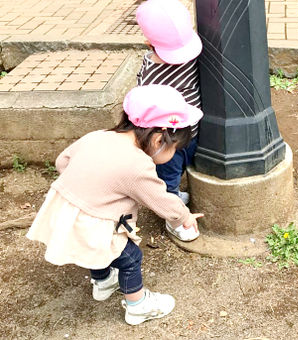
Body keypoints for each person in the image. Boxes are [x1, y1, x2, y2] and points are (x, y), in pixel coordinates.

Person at [26, 85, 204, 326]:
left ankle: (102, 282)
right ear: (159, 139)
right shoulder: (137, 165)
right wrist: (184, 216)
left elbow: (62, 161)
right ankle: (138, 306)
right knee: (130, 258)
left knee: (96, 252)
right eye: (174, 149)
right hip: (94, 222)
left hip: (67, 212)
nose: (173, 155)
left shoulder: (99, 135)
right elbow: (161, 200)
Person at [135, 0, 203, 242]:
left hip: (185, 133)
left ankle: (173, 196)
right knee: (169, 177)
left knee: (178, 170)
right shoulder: (187, 57)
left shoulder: (183, 58)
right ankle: (173, 217)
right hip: (169, 140)